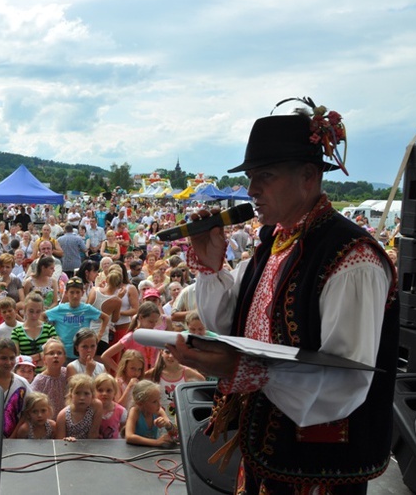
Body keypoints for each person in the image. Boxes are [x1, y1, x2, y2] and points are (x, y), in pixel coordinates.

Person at [166, 104, 398, 493]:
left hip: (316, 466)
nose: (252, 189)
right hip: (265, 449)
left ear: (308, 176)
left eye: (265, 176)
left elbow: (348, 378)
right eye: (252, 177)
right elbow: (228, 323)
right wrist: (210, 268)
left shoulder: (351, 257)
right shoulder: (276, 242)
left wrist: (248, 371)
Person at [44, 277, 109, 360]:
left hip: (81, 354)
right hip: (63, 353)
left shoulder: (87, 309)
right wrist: (49, 334)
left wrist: (98, 336)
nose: (75, 296)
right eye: (72, 292)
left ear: (82, 293)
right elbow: (42, 316)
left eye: (78, 292)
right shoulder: (60, 309)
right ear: (66, 293)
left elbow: (105, 317)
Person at [0, 339, 29, 438]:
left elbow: (26, 412)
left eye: (12, 358)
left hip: (17, 439)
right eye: (3, 358)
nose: (8, 362)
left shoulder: (21, 383)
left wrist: (13, 436)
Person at [11, 293, 58, 373]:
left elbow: (55, 353)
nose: (34, 315)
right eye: (31, 311)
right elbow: (16, 359)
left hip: (46, 374)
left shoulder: (49, 329)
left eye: (38, 311)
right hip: (25, 375)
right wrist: (40, 356)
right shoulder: (16, 332)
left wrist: (28, 359)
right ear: (25, 309)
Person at [124, 380, 177, 447]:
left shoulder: (159, 411)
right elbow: (129, 437)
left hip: (151, 451)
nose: (159, 404)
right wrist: (156, 442)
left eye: (159, 399)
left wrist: (167, 424)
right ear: (140, 403)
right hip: (136, 450)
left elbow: (174, 432)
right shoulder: (135, 412)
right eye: (154, 402)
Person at [54, 374, 103, 441]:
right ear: (71, 394)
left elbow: (94, 433)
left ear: (92, 395)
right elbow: (59, 442)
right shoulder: (63, 416)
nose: (82, 398)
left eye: (86, 394)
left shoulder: (96, 407)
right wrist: (67, 440)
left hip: (90, 446)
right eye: (77, 393)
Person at [29, 338, 68, 417]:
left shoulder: (68, 373)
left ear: (64, 358)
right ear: (44, 359)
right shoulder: (40, 380)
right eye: (51, 353)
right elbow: (31, 403)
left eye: (59, 353)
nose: (56, 356)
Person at [95, 373, 128, 440]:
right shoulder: (90, 410)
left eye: (109, 391)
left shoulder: (121, 411)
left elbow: (124, 433)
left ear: (114, 392)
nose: (104, 394)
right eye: (100, 390)